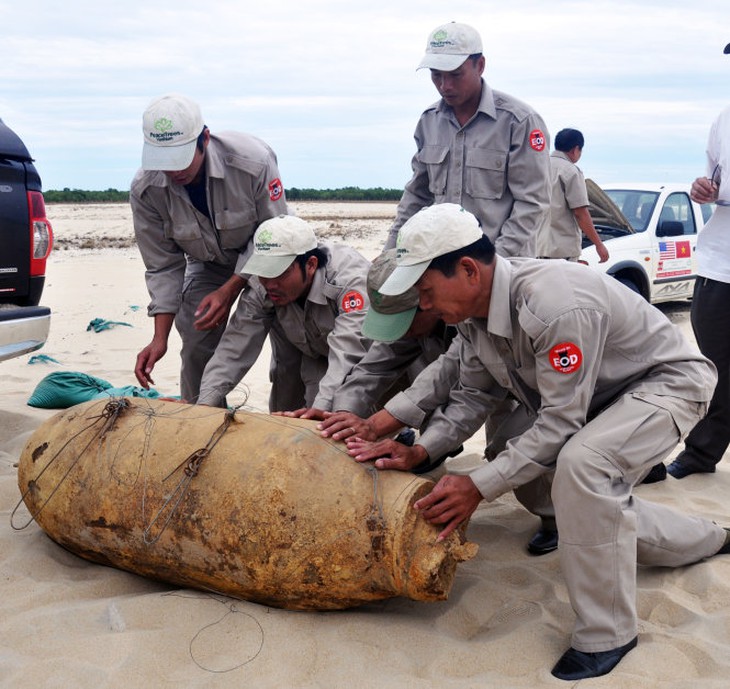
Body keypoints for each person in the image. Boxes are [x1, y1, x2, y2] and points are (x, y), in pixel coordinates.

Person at [349, 203, 730, 680]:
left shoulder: (554, 303)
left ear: (467, 269)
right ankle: (706, 537)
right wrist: (422, 450)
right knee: (513, 456)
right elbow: (471, 394)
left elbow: (561, 424)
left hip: (665, 385)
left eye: (425, 292)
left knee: (582, 466)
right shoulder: (473, 313)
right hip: (593, 400)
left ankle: (607, 633)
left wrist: (477, 488)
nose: (422, 307)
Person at [131, 93, 289, 402]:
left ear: (204, 138)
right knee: (195, 344)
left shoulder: (253, 161)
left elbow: (274, 234)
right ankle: (199, 421)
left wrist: (230, 290)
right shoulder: (146, 190)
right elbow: (163, 266)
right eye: (164, 162)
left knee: (289, 351)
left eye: (181, 159)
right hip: (208, 264)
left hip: (272, 257)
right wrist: (159, 338)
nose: (174, 172)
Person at [283, 249, 462, 474]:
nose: (399, 332)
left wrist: (374, 427)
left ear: (427, 299)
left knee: (505, 445)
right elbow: (370, 371)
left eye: (402, 322)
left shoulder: (466, 322)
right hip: (471, 391)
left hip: (505, 392)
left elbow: (445, 379)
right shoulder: (410, 325)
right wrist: (340, 417)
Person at [384, 21, 551, 258]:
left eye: (455, 75)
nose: (445, 86)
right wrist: (390, 253)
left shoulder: (519, 122)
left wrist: (492, 263)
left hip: (506, 267)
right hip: (443, 266)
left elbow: (532, 204)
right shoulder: (429, 122)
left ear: (480, 65)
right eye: (436, 75)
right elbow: (416, 196)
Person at [196, 215, 372, 411]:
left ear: (311, 265)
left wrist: (321, 410)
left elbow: (348, 352)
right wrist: (205, 403)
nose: (270, 284)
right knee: (289, 413)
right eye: (264, 272)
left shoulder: (350, 281)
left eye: (279, 273)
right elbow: (235, 346)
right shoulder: (262, 286)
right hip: (314, 354)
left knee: (341, 416)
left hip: (368, 362)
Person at [667, 44, 730, 478]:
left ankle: (701, 453)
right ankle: (702, 454)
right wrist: (702, 189)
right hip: (718, 264)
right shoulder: (722, 120)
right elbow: (713, 180)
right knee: (713, 367)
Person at [536, 128, 609, 262]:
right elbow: (580, 212)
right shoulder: (571, 171)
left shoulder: (539, 166)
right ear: (575, 149)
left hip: (536, 247)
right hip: (562, 250)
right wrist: (599, 245)